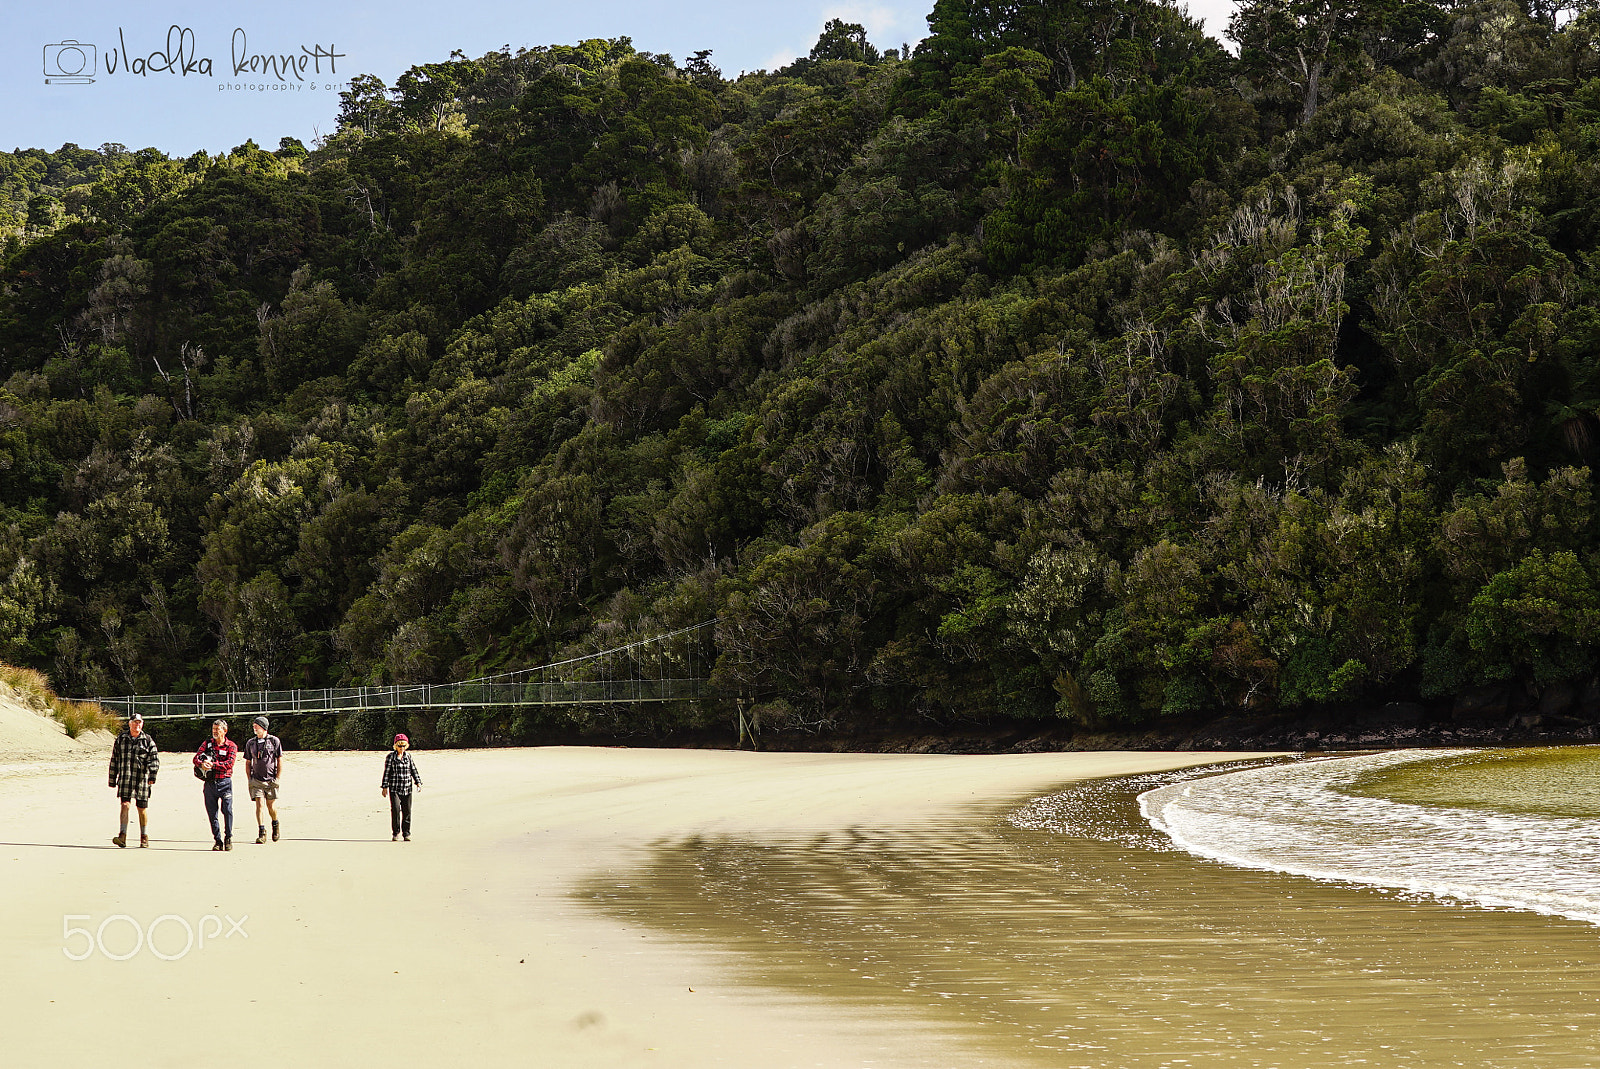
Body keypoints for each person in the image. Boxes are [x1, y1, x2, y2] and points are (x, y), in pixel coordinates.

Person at [108, 712, 160, 848]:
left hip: (142, 779)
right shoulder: (121, 739)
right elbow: (114, 759)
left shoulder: (147, 740)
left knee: (141, 808)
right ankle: (122, 836)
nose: (137, 725)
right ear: (130, 724)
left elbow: (154, 759)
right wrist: (112, 779)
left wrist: (152, 775)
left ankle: (144, 836)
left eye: (139, 722)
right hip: (125, 778)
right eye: (135, 722)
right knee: (125, 805)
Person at [194, 719, 239, 851]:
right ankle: (217, 840)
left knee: (228, 811)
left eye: (217, 730)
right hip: (209, 784)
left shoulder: (231, 746)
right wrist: (202, 764)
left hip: (225, 782)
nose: (214, 732)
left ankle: (228, 837)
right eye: (213, 729)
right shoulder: (207, 743)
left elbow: (229, 764)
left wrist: (213, 765)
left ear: (224, 731)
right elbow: (195, 758)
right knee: (212, 813)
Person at [242, 715, 284, 844]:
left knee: (271, 806)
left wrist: (277, 777)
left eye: (257, 726)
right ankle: (261, 832)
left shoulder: (274, 741)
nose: (254, 728)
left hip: (271, 779)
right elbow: (248, 762)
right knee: (259, 805)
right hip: (256, 780)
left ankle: (275, 824)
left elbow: (279, 759)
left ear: (264, 727)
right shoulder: (251, 743)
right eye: (254, 726)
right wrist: (249, 779)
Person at [380, 733, 422, 841]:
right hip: (394, 788)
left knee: (407, 811)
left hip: (407, 788)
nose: (401, 748)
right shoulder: (390, 757)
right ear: (395, 746)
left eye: (403, 746)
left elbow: (413, 770)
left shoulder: (408, 757)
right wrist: (384, 787)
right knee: (395, 810)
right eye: (399, 746)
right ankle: (395, 832)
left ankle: (406, 833)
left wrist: (418, 782)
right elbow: (387, 773)